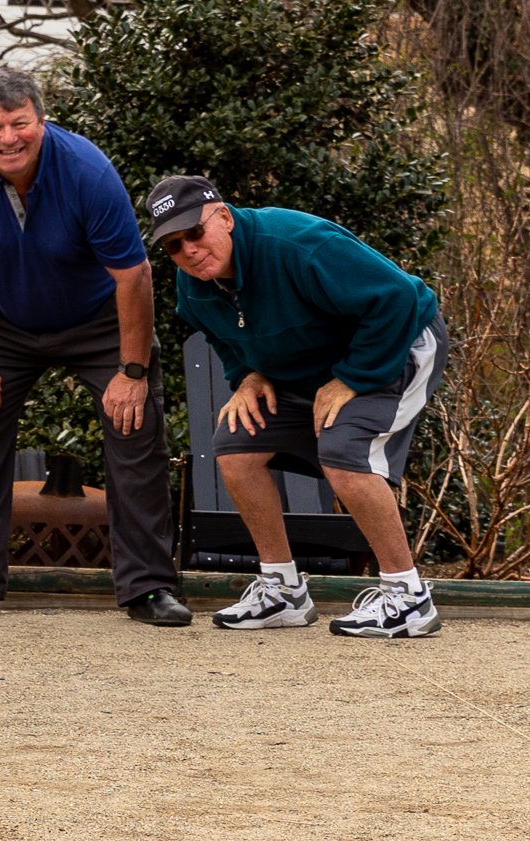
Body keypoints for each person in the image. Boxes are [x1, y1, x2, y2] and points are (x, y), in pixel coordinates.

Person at [0, 68, 188, 626]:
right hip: (9, 314)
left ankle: (148, 587)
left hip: (98, 316)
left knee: (134, 424)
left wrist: (132, 370)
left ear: (41, 121)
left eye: (20, 123)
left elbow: (134, 277)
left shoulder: (88, 172)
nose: (8, 138)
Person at [148, 176, 447, 637]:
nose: (188, 249)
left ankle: (409, 597)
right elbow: (224, 337)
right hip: (313, 369)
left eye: (195, 232)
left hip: (398, 344)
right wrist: (247, 376)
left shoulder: (297, 243)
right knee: (235, 446)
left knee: (344, 451)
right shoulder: (196, 285)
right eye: (172, 245)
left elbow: (397, 299)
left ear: (224, 217)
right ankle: (283, 590)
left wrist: (350, 378)